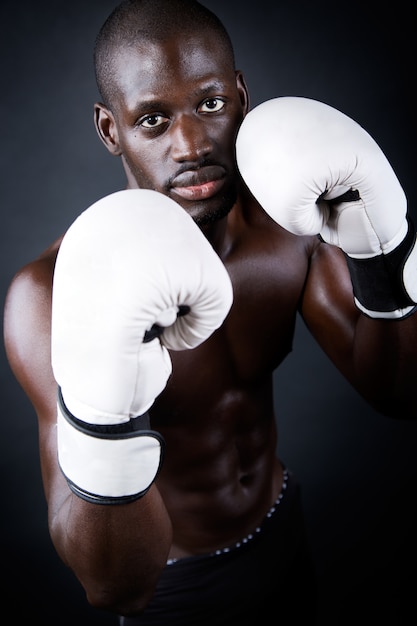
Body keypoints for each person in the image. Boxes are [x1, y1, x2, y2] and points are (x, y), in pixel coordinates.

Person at [3, 0, 417, 624]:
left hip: (283, 528)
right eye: (153, 120)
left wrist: (386, 257)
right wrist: (108, 417)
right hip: (170, 584)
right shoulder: (49, 296)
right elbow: (115, 588)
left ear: (243, 96)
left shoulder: (290, 227)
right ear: (110, 129)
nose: (192, 143)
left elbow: (396, 391)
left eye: (211, 104)